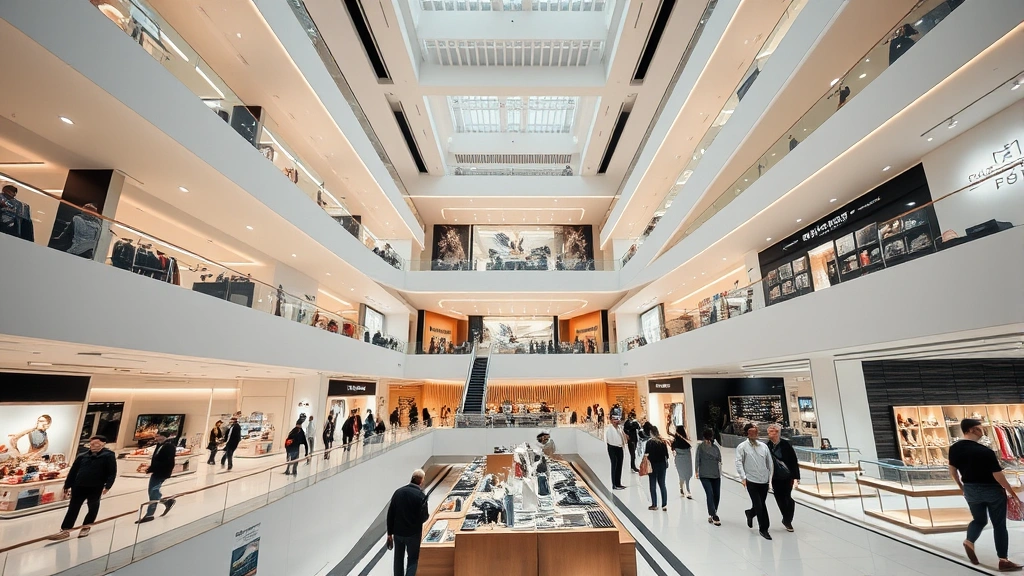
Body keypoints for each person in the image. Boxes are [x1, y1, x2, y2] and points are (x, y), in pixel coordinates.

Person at [949, 418, 1023, 571]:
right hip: (992, 490)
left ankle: (969, 541)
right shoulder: (985, 452)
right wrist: (1011, 492)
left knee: (979, 519)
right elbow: (997, 475)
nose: (982, 430)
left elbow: (953, 471)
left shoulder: (954, 448)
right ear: (971, 430)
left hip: (970, 490)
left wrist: (961, 487)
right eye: (979, 428)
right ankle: (1003, 560)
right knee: (999, 525)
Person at [48, 435, 117, 540]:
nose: (94, 446)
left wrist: (108, 486)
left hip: (96, 486)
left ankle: (86, 526)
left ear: (103, 444)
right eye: (92, 444)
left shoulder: (108, 456)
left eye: (97, 444)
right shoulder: (82, 456)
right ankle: (65, 529)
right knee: (73, 508)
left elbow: (112, 472)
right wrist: (67, 485)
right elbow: (73, 471)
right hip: (79, 486)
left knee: (93, 507)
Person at [387, 468, 430, 576]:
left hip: (398, 533)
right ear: (421, 480)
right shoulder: (421, 496)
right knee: (412, 559)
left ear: (412, 478)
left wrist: (389, 533)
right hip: (413, 534)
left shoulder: (398, 492)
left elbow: (390, 513)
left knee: (398, 558)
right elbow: (424, 517)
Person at [736, 423, 773, 540]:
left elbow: (769, 463)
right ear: (747, 433)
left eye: (755, 432)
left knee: (760, 503)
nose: (754, 434)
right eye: (751, 432)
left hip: (764, 481)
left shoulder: (764, 447)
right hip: (751, 480)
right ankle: (764, 528)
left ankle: (750, 513)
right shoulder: (742, 447)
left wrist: (770, 479)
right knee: (760, 505)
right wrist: (743, 477)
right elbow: (738, 462)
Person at [135, 431, 177, 523]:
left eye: (158, 436)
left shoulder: (169, 446)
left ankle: (150, 514)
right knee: (152, 491)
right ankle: (167, 502)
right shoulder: (160, 445)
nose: (156, 437)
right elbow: (156, 459)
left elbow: (168, 461)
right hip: (157, 471)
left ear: (164, 436)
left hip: (161, 472)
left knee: (153, 491)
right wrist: (151, 468)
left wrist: (160, 470)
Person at [767, 423, 800, 532]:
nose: (771, 434)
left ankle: (787, 519)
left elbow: (793, 461)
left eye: (773, 432)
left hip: (787, 476)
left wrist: (796, 477)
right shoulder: (767, 446)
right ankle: (786, 519)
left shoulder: (785, 445)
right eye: (769, 432)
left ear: (778, 433)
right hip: (775, 477)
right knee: (779, 498)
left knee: (787, 498)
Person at [695, 429, 722, 525]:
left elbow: (719, 459)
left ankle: (713, 512)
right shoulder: (701, 447)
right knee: (710, 493)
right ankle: (713, 514)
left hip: (715, 474)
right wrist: (696, 470)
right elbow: (697, 458)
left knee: (716, 494)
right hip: (705, 474)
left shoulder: (715, 447)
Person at [643, 425, 670, 510]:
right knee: (662, 484)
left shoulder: (649, 443)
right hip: (662, 465)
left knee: (652, 485)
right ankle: (664, 504)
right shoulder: (662, 442)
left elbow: (646, 455)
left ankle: (654, 504)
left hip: (652, 466)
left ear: (651, 433)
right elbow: (667, 455)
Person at [605, 416, 627, 490]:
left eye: (618, 419)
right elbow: (609, 440)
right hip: (613, 448)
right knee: (615, 465)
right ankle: (614, 484)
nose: (617, 421)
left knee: (620, 465)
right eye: (615, 419)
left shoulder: (619, 428)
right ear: (611, 420)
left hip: (620, 448)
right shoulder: (609, 429)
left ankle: (618, 483)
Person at [670, 425, 693, 499]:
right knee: (687, 475)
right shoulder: (686, 442)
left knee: (681, 475)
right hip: (687, 460)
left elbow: (673, 450)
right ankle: (688, 490)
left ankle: (681, 488)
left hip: (679, 460)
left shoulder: (675, 442)